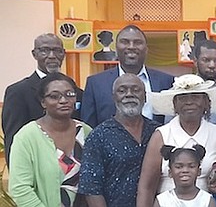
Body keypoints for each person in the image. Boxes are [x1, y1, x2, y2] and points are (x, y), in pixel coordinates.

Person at [136, 74, 216, 206]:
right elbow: (146, 187)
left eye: (196, 97)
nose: (189, 102)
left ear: (206, 102)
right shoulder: (161, 135)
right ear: (175, 104)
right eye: (183, 97)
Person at [8, 72, 92, 206]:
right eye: (54, 96)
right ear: (43, 102)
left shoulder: (86, 132)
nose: (64, 100)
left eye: (69, 94)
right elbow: (20, 189)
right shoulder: (27, 137)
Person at [79, 73, 161, 207]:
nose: (129, 94)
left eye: (136, 90)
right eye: (122, 91)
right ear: (113, 97)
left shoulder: (158, 132)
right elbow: (91, 188)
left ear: (145, 97)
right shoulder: (99, 136)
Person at [2, 33, 83, 165]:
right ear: (34, 54)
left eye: (57, 50)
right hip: (36, 170)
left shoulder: (77, 93)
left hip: (74, 172)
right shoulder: (18, 92)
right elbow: (13, 140)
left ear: (63, 54)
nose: (52, 55)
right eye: (44, 50)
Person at [82, 24, 174, 127]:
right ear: (116, 48)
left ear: (146, 49)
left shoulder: (167, 81)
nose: (131, 47)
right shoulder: (95, 84)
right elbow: (88, 128)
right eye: (125, 42)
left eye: (137, 42)